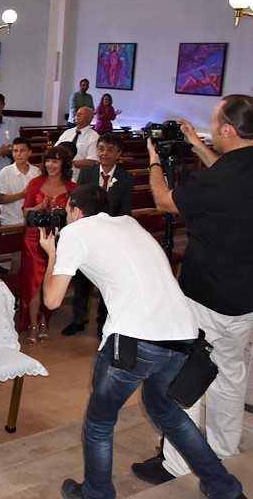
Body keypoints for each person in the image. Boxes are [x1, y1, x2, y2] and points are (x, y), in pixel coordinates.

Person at [36, 185, 244, 499]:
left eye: (66, 211)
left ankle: (96, 493)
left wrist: (51, 255)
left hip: (136, 338)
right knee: (166, 411)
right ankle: (225, 489)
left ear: (75, 211)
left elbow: (52, 300)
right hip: (183, 334)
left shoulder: (75, 231)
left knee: (100, 421)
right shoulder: (130, 223)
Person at [133, 94, 253, 486]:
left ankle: (176, 464)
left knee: (186, 376)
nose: (211, 127)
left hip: (206, 296)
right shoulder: (235, 170)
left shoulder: (218, 179)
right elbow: (230, 177)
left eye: (214, 123)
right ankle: (223, 448)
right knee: (231, 373)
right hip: (245, 296)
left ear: (228, 130)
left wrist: (154, 161)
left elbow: (164, 201)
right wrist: (197, 145)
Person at [63, 133, 135, 337]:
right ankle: (78, 319)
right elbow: (78, 203)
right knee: (82, 279)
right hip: (88, 235)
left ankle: (103, 321)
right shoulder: (87, 173)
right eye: (101, 148)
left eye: (110, 150)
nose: (104, 153)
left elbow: (125, 211)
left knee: (107, 281)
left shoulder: (126, 178)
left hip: (112, 238)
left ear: (119, 153)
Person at [18, 145, 76, 343]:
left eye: (55, 161)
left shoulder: (72, 188)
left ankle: (45, 321)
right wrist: (39, 207)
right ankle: (33, 324)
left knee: (50, 282)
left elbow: (74, 217)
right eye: (48, 160)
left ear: (64, 164)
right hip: (34, 239)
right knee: (34, 284)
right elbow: (26, 212)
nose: (51, 165)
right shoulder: (35, 183)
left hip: (57, 240)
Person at [0, 137, 40, 227]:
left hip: (33, 221)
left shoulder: (37, 172)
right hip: (10, 221)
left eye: (22, 151)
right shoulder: (5, 172)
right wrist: (22, 195)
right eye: (15, 151)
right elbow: (1, 199)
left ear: (29, 152)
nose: (18, 154)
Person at [56, 106, 99, 182]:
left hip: (79, 177)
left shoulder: (94, 137)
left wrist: (68, 163)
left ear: (89, 118)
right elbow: (54, 150)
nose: (76, 115)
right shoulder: (67, 132)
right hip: (59, 174)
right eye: (76, 114)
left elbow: (92, 162)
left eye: (80, 114)